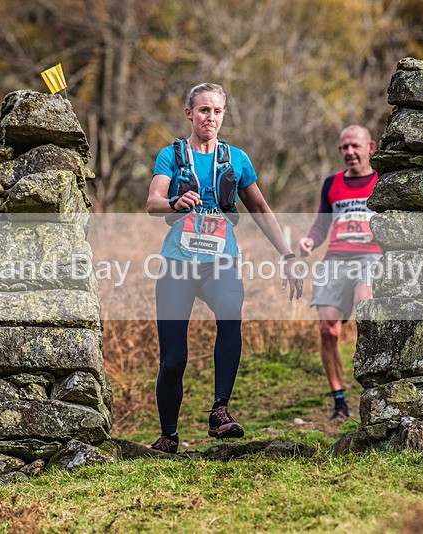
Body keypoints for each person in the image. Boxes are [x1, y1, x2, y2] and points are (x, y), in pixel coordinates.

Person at [146, 82, 303, 454]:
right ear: (189, 113)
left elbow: (261, 210)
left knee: (231, 310)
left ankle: (220, 411)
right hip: (178, 264)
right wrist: (175, 202)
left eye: (216, 111)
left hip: (222, 262)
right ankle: (169, 435)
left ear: (223, 115)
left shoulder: (237, 160)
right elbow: (153, 201)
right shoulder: (171, 156)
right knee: (173, 360)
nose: (210, 118)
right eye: (203, 110)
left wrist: (288, 256)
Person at [297, 125, 381, 420]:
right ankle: (340, 401)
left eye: (355, 146)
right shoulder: (332, 184)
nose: (349, 152)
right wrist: (309, 241)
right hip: (336, 260)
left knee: (365, 302)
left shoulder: (382, 181)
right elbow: (321, 225)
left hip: (371, 257)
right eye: (344, 147)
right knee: (327, 330)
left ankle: (376, 387)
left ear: (370, 147)